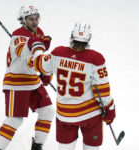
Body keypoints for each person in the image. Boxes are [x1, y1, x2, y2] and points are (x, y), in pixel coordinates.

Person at [32, 22, 116, 150]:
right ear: (88, 38)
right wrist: (110, 109)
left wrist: (38, 47)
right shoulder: (96, 59)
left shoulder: (58, 53)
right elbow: (102, 92)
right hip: (90, 116)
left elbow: (39, 65)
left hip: (65, 115)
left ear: (72, 36)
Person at [0, 5, 55, 150]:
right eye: (30, 19)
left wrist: (45, 71)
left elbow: (38, 57)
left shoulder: (39, 33)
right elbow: (23, 53)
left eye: (36, 18)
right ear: (23, 20)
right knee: (15, 119)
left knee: (48, 111)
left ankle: (37, 146)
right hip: (16, 81)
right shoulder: (18, 35)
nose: (34, 22)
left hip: (32, 80)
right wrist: (34, 43)